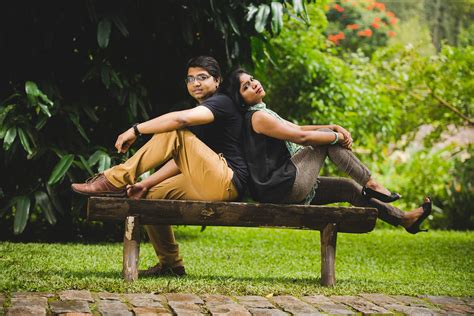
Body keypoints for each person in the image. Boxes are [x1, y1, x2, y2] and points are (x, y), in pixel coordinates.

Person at [71, 57, 248, 276]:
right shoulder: (202, 112)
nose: (196, 83)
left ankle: (113, 180)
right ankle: (171, 265)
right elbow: (181, 159)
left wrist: (136, 130)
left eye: (202, 78)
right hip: (212, 180)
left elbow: (178, 124)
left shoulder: (222, 102)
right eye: (190, 79)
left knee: (175, 130)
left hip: (228, 180)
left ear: (218, 81)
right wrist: (145, 183)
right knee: (150, 197)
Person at [220, 68, 431, 234]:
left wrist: (332, 127)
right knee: (326, 141)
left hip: (285, 185)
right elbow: (301, 138)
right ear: (241, 99)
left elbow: (299, 128)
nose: (254, 85)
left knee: (347, 187)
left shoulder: (263, 112)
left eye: (252, 80)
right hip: (282, 187)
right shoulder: (258, 117)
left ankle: (404, 219)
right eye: (246, 87)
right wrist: (336, 137)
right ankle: (370, 181)